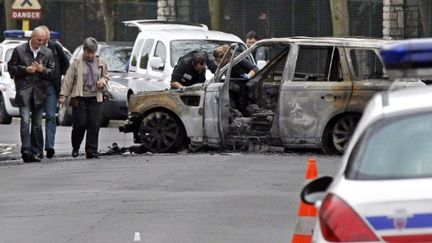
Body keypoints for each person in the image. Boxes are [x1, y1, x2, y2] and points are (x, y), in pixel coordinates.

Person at [7, 26, 55, 163]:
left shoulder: (47, 52)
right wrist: (25, 70)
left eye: (43, 40)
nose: (41, 42)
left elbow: (52, 74)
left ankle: (37, 151)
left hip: (40, 93)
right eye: (39, 39)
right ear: (32, 37)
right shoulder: (19, 50)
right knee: (25, 121)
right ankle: (26, 150)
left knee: (37, 124)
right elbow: (11, 68)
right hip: (24, 91)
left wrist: (42, 69)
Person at [59, 37, 109, 159]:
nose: (91, 55)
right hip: (80, 97)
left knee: (94, 124)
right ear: (84, 50)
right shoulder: (76, 62)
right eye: (89, 52)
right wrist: (63, 95)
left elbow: (106, 76)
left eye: (93, 52)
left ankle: (91, 151)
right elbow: (68, 80)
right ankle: (75, 146)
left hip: (95, 97)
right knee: (80, 124)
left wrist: (103, 81)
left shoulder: (101, 62)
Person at [35, 26, 70, 159]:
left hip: (51, 87)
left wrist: (58, 75)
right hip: (38, 87)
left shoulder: (55, 47)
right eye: (42, 39)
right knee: (37, 118)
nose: (44, 42)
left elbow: (66, 64)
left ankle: (50, 146)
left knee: (50, 116)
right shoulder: (35, 47)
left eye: (46, 39)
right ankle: (37, 148)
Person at [213, 44, 259, 116]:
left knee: (243, 107)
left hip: (245, 87)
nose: (218, 63)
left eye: (219, 61)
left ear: (225, 57)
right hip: (233, 87)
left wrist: (248, 76)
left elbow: (255, 68)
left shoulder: (238, 60)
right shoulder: (224, 65)